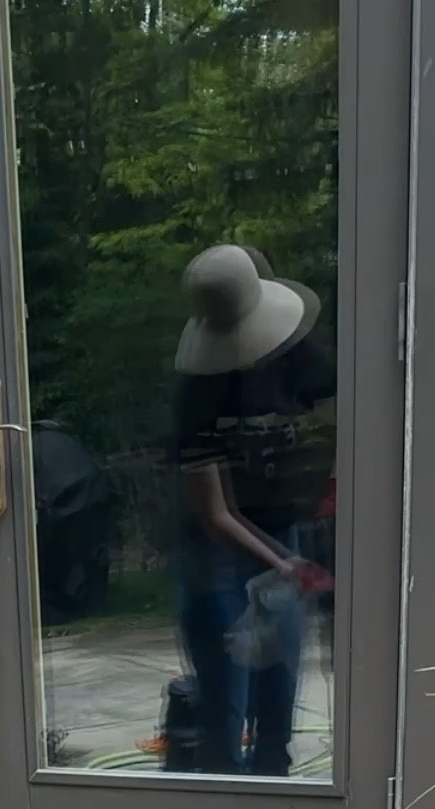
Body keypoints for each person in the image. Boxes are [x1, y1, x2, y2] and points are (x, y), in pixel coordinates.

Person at [172, 243, 333, 776]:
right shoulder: (197, 395)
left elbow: (343, 430)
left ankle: (275, 796)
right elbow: (217, 515)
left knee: (280, 684)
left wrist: (323, 517)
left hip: (283, 527)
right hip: (217, 550)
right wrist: (284, 564)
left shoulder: (302, 360)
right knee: (227, 697)